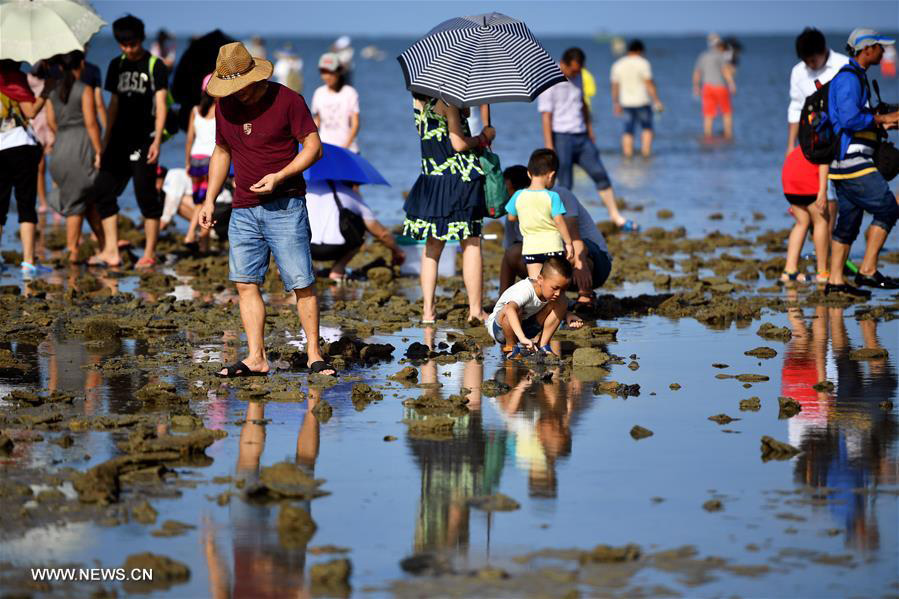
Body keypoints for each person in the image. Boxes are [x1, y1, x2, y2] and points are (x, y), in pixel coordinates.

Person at [199, 41, 333, 377]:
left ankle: (314, 354)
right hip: (243, 208)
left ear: (256, 77)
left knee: (301, 282)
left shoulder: (288, 100)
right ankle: (256, 357)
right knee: (245, 283)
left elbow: (314, 148)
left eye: (241, 86)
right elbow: (221, 152)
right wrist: (209, 199)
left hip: (285, 204)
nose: (237, 93)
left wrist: (281, 175)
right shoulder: (224, 106)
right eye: (231, 87)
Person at [403, 93, 495, 325]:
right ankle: (475, 310)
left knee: (432, 247)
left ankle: (428, 312)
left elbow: (439, 137)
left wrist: (462, 113)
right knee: (471, 242)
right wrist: (482, 137)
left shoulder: (419, 105)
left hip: (432, 181)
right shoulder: (448, 103)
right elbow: (458, 144)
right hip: (458, 181)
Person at [89, 15, 169, 268]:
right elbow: (112, 105)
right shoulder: (116, 65)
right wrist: (104, 140)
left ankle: (149, 253)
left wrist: (157, 139)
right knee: (102, 190)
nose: (128, 48)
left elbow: (161, 104)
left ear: (141, 40)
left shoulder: (155, 65)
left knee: (145, 196)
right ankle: (111, 250)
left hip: (144, 139)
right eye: (123, 44)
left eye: (132, 44)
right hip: (118, 140)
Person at [825, 28, 899, 297]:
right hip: (852, 162)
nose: (883, 51)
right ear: (866, 50)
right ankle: (867, 270)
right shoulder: (849, 79)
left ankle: (835, 282)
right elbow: (847, 119)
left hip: (843, 162)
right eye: (879, 47)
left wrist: (883, 123)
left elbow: (855, 119)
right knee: (889, 209)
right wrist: (880, 120)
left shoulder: (856, 77)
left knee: (849, 221)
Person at [538, 47, 637, 231]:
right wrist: (549, 145)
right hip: (561, 137)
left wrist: (590, 129)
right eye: (573, 70)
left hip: (582, 136)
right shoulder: (549, 80)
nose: (576, 73)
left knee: (600, 174)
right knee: (565, 183)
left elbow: (582, 103)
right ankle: (559, 223)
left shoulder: (580, 76)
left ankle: (616, 216)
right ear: (563, 64)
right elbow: (546, 115)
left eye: (579, 70)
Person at [500, 165, 613, 312]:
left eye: (508, 191)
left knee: (571, 250)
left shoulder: (557, 195)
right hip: (552, 267)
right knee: (512, 253)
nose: (504, 196)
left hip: (594, 261)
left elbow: (574, 237)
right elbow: (509, 249)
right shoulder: (514, 209)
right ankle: (503, 301)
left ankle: (586, 296)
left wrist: (580, 262)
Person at [45, 50, 103, 263]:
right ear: (82, 65)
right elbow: (91, 123)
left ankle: (107, 247)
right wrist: (99, 150)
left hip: (60, 148)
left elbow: (51, 123)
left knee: (86, 200)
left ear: (60, 67)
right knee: (77, 202)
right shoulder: (84, 89)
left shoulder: (52, 91)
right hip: (80, 148)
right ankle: (72, 252)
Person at [0, 59, 52, 274]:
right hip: (21, 146)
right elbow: (30, 111)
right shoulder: (15, 78)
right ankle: (28, 262)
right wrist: (47, 90)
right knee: (26, 204)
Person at [306, 179, 404, 282]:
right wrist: (398, 251)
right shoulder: (350, 194)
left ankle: (310, 270)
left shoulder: (306, 190)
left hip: (307, 249)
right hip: (336, 248)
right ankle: (337, 270)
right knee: (359, 231)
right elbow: (382, 233)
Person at [485, 256, 582, 360]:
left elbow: (556, 307)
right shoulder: (526, 290)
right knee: (513, 309)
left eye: (563, 289)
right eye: (555, 288)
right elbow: (509, 309)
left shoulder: (553, 293)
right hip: (500, 330)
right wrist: (522, 338)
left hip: (525, 326)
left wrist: (567, 315)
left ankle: (543, 345)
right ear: (540, 279)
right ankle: (511, 348)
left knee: (562, 301)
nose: (558, 293)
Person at [504, 149, 574, 279]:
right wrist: (569, 243)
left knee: (537, 284)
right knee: (554, 285)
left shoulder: (518, 195)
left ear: (529, 174)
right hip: (553, 247)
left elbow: (511, 217)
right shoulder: (553, 196)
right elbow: (559, 221)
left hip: (531, 248)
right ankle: (557, 300)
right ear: (551, 175)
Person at [786, 28, 849, 155]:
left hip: (842, 136)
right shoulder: (798, 72)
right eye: (806, 61)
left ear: (823, 50)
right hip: (812, 139)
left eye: (813, 60)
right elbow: (796, 108)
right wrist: (791, 146)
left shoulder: (843, 65)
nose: (810, 65)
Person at [780, 146, 831, 283]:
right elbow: (824, 162)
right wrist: (823, 191)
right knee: (821, 221)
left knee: (802, 222)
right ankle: (822, 272)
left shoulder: (806, 139)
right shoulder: (827, 138)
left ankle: (789, 271)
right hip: (808, 179)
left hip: (789, 178)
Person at [610, 39, 663, 158]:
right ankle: (646, 153)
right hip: (642, 101)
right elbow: (649, 83)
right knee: (647, 128)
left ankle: (627, 155)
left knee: (628, 130)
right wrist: (656, 100)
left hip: (626, 102)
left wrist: (615, 103)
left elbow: (614, 86)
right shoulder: (643, 63)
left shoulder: (618, 64)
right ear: (640, 50)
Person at [183, 73, 216, 252]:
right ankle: (201, 241)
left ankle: (193, 236)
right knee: (207, 203)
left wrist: (187, 162)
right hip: (210, 160)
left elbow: (189, 138)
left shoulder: (195, 111)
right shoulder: (220, 110)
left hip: (195, 159)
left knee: (199, 202)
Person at [311, 53, 359, 152]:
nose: (327, 76)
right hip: (325, 148)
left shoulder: (350, 93)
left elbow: (355, 124)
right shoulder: (318, 93)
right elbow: (316, 122)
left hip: (348, 149)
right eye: (323, 72)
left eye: (331, 72)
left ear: (339, 71)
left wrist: (345, 147)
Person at [692, 36, 737, 138]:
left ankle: (708, 135)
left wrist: (696, 87)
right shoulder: (721, 56)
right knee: (727, 113)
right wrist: (732, 84)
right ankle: (728, 134)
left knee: (708, 114)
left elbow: (697, 73)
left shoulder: (702, 56)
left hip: (707, 88)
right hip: (720, 87)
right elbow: (725, 72)